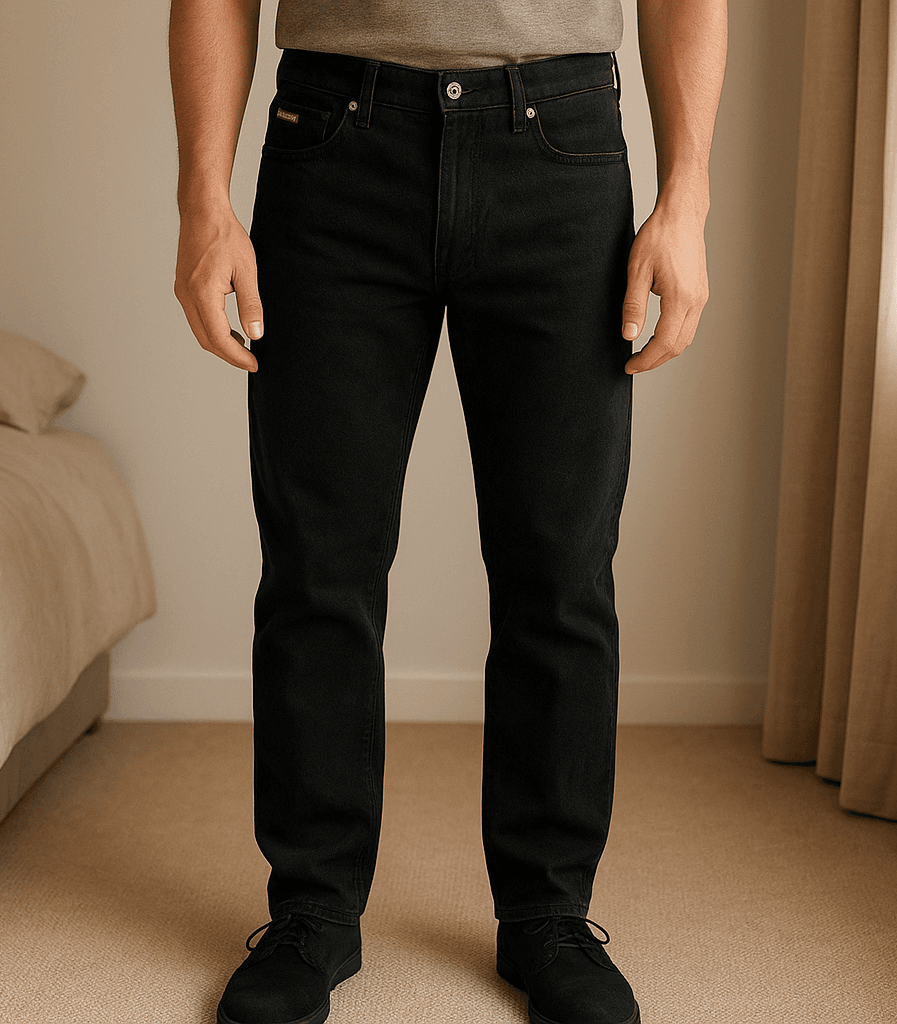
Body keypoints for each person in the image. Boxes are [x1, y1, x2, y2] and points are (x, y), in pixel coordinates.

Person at [171, 1, 726, 1022]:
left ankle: (549, 912)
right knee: (317, 567)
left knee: (559, 569)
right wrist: (202, 201)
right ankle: (312, 911)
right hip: (333, 142)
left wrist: (685, 199)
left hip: (560, 144)